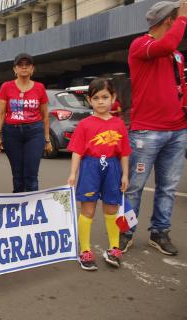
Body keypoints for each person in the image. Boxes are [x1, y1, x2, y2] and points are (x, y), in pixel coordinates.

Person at [123, 1, 187, 256]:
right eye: (177, 18)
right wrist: (183, 17)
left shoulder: (178, 56)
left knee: (168, 187)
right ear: (170, 20)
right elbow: (167, 44)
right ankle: (125, 231)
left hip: (178, 130)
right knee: (135, 186)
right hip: (146, 131)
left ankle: (159, 232)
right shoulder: (141, 45)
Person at [67, 78, 131, 270]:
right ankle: (84, 250)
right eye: (96, 98)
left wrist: (125, 175)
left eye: (105, 97)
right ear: (89, 100)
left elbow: (124, 153)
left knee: (112, 209)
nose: (101, 101)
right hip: (90, 168)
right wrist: (73, 174)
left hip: (112, 169)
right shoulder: (84, 124)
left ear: (113, 97)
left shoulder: (119, 124)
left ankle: (114, 248)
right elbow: (77, 151)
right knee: (88, 210)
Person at [0, 53, 52, 193]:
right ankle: (20, 207)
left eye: (27, 65)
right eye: (20, 65)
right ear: (15, 69)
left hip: (34, 132)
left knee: (31, 175)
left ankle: (32, 208)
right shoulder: (6, 87)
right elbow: (1, 113)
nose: (24, 67)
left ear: (32, 69)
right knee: (18, 175)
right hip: (11, 133)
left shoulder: (39, 88)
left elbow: (45, 116)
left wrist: (47, 139)